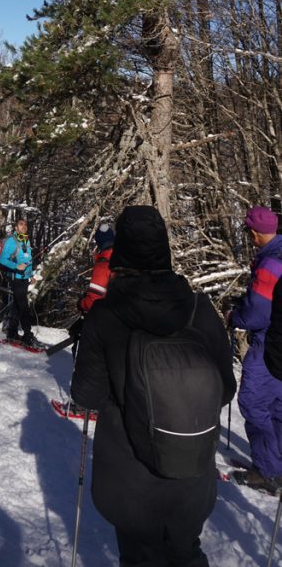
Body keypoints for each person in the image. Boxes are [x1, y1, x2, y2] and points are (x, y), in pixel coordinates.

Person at [71, 205, 236, 567]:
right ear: (165, 248)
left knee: (140, 557)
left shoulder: (106, 315)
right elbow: (225, 390)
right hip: (191, 469)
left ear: (122, 251)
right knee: (186, 552)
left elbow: (86, 395)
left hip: (130, 479)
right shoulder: (199, 309)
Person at [230, 204, 282, 491]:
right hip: (280, 343)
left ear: (254, 232)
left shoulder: (269, 264)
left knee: (252, 402)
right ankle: (276, 464)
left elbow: (257, 314)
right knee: (277, 406)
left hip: (268, 343)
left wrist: (234, 316)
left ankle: (267, 472)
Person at [0, 218, 43, 347]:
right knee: (24, 306)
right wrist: (16, 266)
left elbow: (27, 261)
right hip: (15, 278)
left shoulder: (26, 240)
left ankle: (11, 332)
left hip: (24, 278)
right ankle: (28, 335)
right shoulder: (12, 241)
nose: (23, 226)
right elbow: (2, 260)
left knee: (17, 306)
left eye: (25, 224)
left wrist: (31, 275)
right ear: (16, 228)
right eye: (21, 224)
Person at [78, 223, 115, 314]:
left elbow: (93, 303)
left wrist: (81, 303)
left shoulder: (103, 265)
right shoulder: (125, 258)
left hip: (111, 318)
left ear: (99, 243)